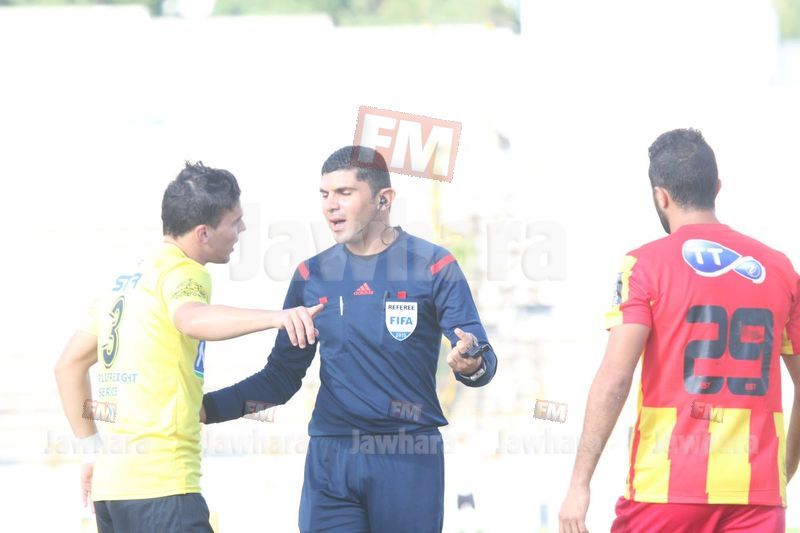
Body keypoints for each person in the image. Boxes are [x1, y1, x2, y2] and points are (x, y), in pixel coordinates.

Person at [201, 146, 498, 532]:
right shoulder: (311, 275)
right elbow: (280, 378)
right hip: (331, 456)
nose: (331, 205)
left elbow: (480, 354)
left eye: (344, 193)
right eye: (325, 194)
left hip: (407, 455)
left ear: (383, 199)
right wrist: (203, 409)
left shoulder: (433, 265)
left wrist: (470, 362)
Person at [54, 162, 321, 533]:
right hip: (164, 491)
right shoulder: (185, 271)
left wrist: (90, 450)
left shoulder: (124, 280)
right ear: (203, 233)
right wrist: (277, 317)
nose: (243, 229)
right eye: (235, 221)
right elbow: (190, 319)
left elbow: (68, 366)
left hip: (112, 492)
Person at [558, 129, 800, 533]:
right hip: (757, 497)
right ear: (716, 188)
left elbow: (615, 379)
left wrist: (579, 484)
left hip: (666, 490)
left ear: (661, 196)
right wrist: (782, 474)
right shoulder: (780, 269)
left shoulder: (644, 265)